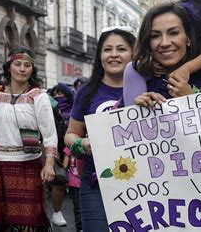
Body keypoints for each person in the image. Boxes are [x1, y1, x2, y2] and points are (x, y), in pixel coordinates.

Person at [0, 46, 57, 231]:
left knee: (29, 223)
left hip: (28, 163)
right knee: (3, 224)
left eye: (27, 65)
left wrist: (49, 163)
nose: (22, 69)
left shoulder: (39, 96)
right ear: (9, 67)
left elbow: (50, 134)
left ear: (32, 69)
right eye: (17, 64)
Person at [64, 28, 136, 231]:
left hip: (143, 179)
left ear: (133, 54)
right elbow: (71, 134)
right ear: (100, 56)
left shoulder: (149, 86)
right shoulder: (86, 91)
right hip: (96, 179)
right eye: (107, 49)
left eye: (121, 49)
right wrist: (81, 143)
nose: (113, 54)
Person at [48, 83, 74, 227]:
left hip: (74, 149)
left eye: (61, 94)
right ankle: (56, 212)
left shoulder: (75, 108)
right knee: (58, 181)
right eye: (55, 94)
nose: (58, 96)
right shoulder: (50, 108)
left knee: (69, 182)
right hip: (55, 148)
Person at [63, 146, 82, 231]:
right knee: (78, 207)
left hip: (85, 181)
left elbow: (64, 164)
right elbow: (65, 164)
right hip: (74, 182)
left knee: (79, 207)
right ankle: (80, 227)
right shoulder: (70, 146)